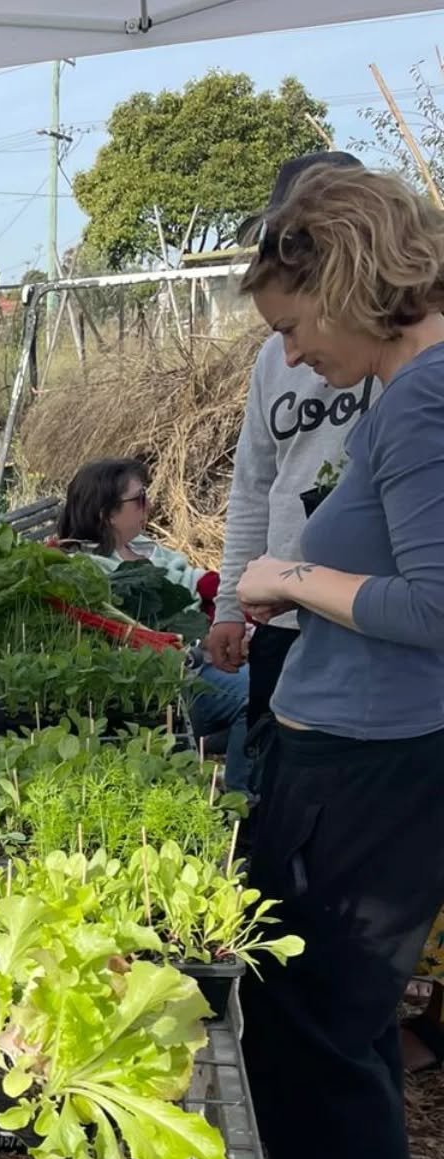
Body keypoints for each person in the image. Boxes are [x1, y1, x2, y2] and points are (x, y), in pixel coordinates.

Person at [236, 163, 444, 1159]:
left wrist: (284, 582)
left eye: (295, 328)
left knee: (326, 1021)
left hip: (370, 771)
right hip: (365, 755)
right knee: (324, 1010)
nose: (299, 361)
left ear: (346, 282)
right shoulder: (409, 389)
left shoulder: (421, 403)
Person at [208, 151, 376, 735]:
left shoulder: (410, 368)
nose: (294, 352)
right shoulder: (274, 360)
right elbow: (254, 483)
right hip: (281, 619)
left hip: (371, 624)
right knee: (271, 777)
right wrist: (230, 605)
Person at [57, 457, 251, 793]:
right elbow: (143, 634)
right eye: (140, 499)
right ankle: (242, 801)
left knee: (280, 676)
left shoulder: (140, 547)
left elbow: (191, 582)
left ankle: (247, 780)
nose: (149, 505)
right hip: (167, 681)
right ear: (107, 513)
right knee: (256, 694)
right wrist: (205, 641)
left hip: (197, 661)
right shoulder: (90, 572)